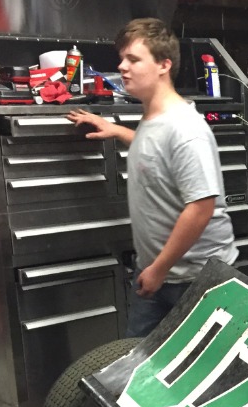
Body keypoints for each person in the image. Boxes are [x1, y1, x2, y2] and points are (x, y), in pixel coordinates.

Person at [67, 18, 237, 337]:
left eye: (133, 59)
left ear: (163, 65)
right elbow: (159, 153)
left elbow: (200, 208)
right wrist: (116, 130)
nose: (122, 67)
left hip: (195, 281)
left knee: (192, 365)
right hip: (159, 274)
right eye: (122, 59)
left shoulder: (186, 129)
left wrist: (159, 269)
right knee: (141, 361)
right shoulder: (155, 117)